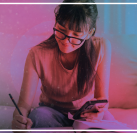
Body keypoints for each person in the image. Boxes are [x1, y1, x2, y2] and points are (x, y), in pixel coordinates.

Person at [12, 0, 115, 129]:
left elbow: (101, 99)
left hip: (85, 114)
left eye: (76, 35)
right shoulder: (36, 54)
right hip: (51, 113)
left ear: (89, 33)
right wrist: (19, 118)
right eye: (61, 30)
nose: (66, 41)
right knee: (38, 116)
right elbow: (23, 105)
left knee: (109, 121)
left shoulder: (102, 47)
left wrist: (100, 112)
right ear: (56, 21)